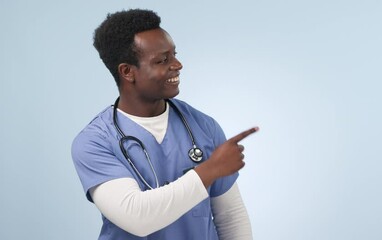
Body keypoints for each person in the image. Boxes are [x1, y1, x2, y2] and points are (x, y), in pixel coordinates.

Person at [71, 9, 258, 240]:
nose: (177, 65)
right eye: (162, 60)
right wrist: (210, 170)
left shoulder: (203, 127)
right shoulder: (95, 142)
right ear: (127, 72)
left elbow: (231, 217)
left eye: (174, 54)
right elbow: (137, 217)